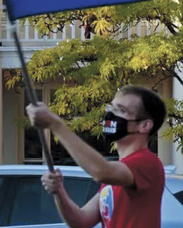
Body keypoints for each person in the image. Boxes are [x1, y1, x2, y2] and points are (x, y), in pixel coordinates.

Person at [27, 85, 166, 228]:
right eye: (111, 108)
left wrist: (55, 124)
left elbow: (100, 172)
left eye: (121, 111)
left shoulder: (147, 163)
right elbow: (81, 221)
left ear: (144, 126)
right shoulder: (117, 175)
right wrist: (59, 191)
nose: (111, 115)